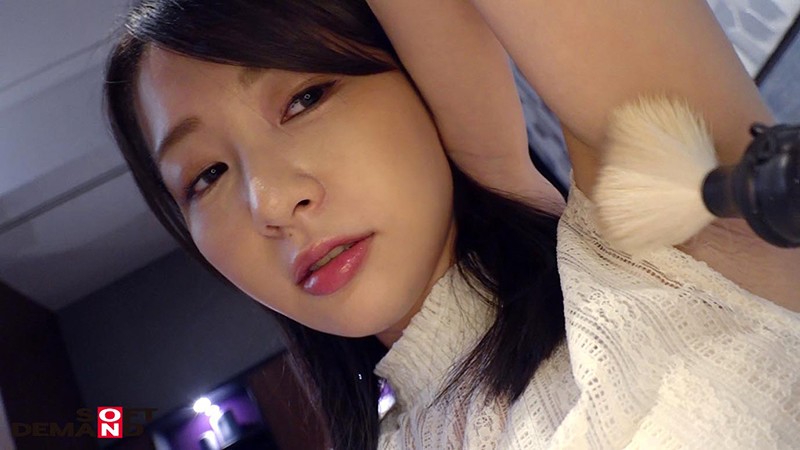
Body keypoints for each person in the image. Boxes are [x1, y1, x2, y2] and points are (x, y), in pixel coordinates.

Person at [104, 0, 800, 449]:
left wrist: (484, 147)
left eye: (306, 98)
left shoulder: (657, 257)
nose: (271, 204)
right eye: (206, 175)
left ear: (423, 81)